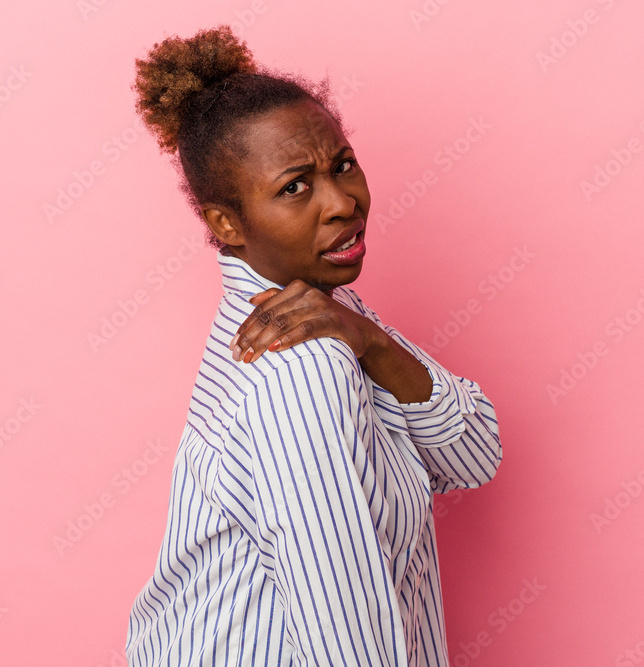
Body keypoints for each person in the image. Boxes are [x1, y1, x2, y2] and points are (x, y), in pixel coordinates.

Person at [125, 25, 503, 667]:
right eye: (294, 186)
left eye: (343, 165)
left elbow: (472, 457)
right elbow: (342, 625)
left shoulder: (329, 313)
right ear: (226, 223)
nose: (342, 203)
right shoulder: (298, 362)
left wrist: (374, 343)